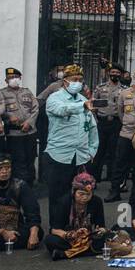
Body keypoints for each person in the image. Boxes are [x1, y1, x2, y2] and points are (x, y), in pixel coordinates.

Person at [43, 64, 99, 230]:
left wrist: (92, 151)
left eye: (80, 80)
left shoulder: (84, 100)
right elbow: (62, 110)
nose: (78, 83)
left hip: (81, 156)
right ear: (65, 81)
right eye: (74, 80)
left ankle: (78, 226)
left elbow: (92, 128)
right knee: (58, 196)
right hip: (59, 155)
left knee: (81, 194)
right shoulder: (55, 98)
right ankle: (57, 229)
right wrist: (81, 107)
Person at [45, 171, 109, 260]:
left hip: (88, 238)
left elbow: (102, 226)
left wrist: (99, 231)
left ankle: (65, 254)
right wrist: (70, 235)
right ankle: (87, 251)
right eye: (81, 194)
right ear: (73, 192)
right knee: (50, 240)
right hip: (70, 238)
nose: (84, 197)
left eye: (88, 194)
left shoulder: (96, 201)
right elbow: (54, 230)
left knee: (107, 238)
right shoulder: (64, 202)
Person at [107, 66, 135, 201]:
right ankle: (114, 191)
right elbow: (120, 111)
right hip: (126, 133)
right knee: (119, 163)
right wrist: (127, 122)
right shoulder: (124, 93)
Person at [0, 66, 39, 187]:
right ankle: (19, 186)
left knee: (30, 159)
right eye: (10, 78)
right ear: (6, 80)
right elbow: (0, 109)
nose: (13, 79)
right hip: (14, 134)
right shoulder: (2, 93)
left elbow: (35, 108)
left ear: (20, 78)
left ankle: (30, 185)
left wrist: (29, 123)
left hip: (30, 132)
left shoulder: (27, 91)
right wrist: (9, 115)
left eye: (15, 77)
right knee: (17, 160)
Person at [91, 63, 126, 184]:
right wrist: (94, 120)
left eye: (117, 72)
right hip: (102, 122)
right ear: (109, 73)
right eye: (113, 72)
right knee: (99, 150)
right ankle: (95, 177)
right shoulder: (100, 87)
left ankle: (111, 176)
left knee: (114, 151)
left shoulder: (124, 90)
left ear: (120, 74)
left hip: (116, 123)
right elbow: (93, 104)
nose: (115, 74)